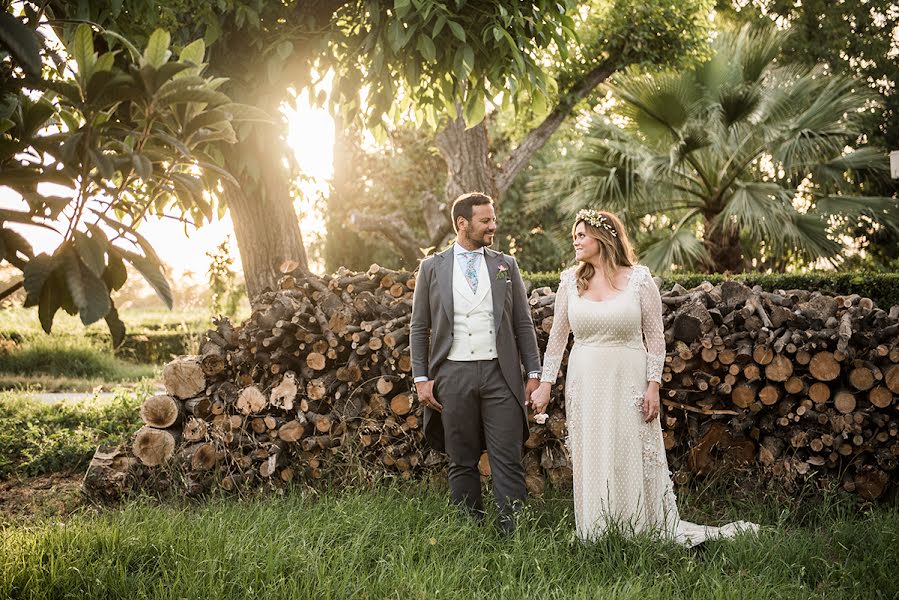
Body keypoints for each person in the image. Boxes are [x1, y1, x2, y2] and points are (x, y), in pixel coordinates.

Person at [529, 209, 757, 546]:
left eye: (581, 235)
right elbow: (558, 340)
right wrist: (546, 384)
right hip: (585, 379)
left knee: (628, 450)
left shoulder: (639, 279)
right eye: (574, 236)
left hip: (629, 378)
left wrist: (653, 386)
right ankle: (597, 532)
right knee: (594, 452)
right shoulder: (569, 282)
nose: (574, 241)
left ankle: (637, 527)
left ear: (603, 238)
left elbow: (656, 338)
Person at [410, 192, 542, 533]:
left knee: (507, 458)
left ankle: (513, 534)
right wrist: (421, 378)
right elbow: (419, 327)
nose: (493, 226)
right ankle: (468, 531)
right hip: (452, 374)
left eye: (493, 219)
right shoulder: (431, 267)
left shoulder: (505, 265)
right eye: (485, 220)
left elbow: (522, 322)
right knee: (462, 459)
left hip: (501, 375)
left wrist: (534, 372)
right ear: (462, 223)